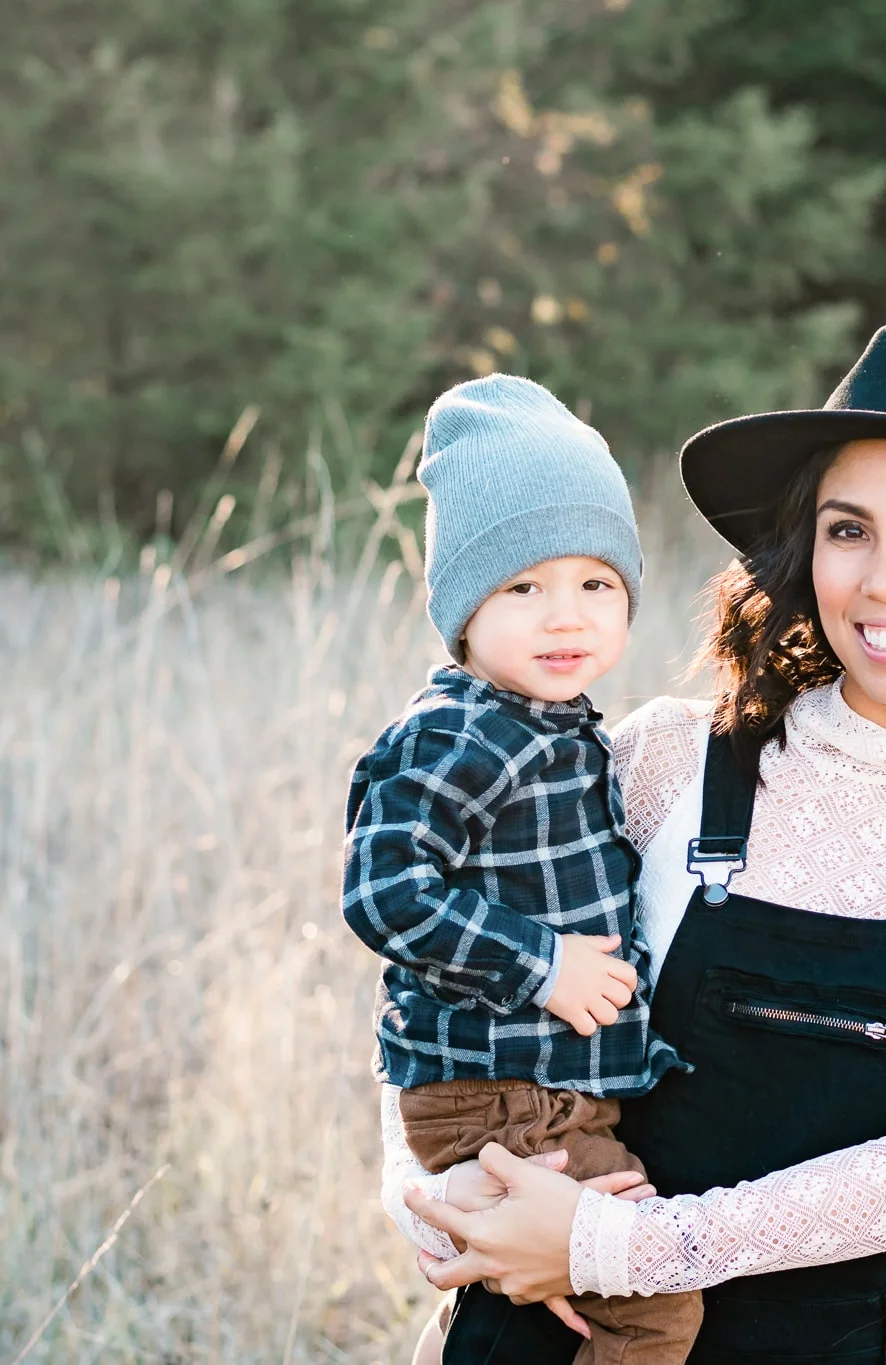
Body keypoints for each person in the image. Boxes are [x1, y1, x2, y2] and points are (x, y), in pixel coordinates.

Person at [383, 323, 886, 1364]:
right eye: (847, 531)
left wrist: (615, 1249)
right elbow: (435, 988)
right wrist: (435, 1199)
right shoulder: (661, 762)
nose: (883, 579)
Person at [343, 375, 701, 1363]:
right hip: (501, 1091)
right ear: (463, 608)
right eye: (523, 586)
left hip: (539, 1086)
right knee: (652, 1308)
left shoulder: (556, 727)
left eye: (596, 584)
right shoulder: (461, 730)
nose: (565, 616)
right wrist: (542, 965)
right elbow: (383, 893)